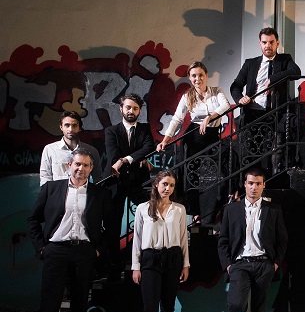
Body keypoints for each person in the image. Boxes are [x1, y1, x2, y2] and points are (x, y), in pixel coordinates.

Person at [5, 148, 111, 312]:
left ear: (91, 168)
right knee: (48, 308)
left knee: (79, 306)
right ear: (69, 165)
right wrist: (42, 248)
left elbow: (110, 227)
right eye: (77, 164)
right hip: (56, 251)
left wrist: (98, 250)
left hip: (84, 253)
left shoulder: (99, 193)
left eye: (86, 165)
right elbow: (33, 219)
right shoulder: (52, 189)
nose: (81, 169)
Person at [217, 167, 288, 312]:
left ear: (263, 185)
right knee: (236, 304)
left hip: (264, 265)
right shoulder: (231, 210)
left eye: (258, 183)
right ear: (245, 184)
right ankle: (242, 295)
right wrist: (228, 265)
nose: (254, 187)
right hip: (240, 264)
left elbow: (282, 240)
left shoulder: (273, 209)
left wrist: (275, 264)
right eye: (250, 183)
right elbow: (223, 240)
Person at [131, 170, 189, 312]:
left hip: (173, 259)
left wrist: (185, 264)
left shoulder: (179, 209)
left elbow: (183, 239)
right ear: (156, 184)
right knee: (149, 310)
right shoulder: (143, 209)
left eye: (171, 185)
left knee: (168, 308)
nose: (168, 188)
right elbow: (137, 238)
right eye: (165, 184)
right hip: (150, 259)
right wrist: (135, 266)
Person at [156, 62, 231, 225]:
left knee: (222, 169)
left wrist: (209, 117)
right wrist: (164, 140)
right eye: (194, 76)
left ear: (206, 75)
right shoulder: (187, 96)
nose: (198, 79)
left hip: (212, 136)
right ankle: (195, 212)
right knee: (191, 175)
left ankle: (215, 209)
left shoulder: (216, 91)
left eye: (201, 75)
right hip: (193, 138)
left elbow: (225, 105)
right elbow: (177, 119)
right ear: (190, 78)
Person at [104, 93, 155, 279]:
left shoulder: (144, 129)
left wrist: (125, 160)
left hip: (137, 182)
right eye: (128, 107)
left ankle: (143, 260)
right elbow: (113, 155)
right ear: (121, 109)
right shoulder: (111, 131)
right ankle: (113, 266)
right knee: (113, 225)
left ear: (139, 110)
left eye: (135, 108)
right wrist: (138, 158)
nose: (131, 111)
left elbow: (149, 148)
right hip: (115, 183)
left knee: (148, 219)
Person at [230, 27, 301, 126]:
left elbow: (296, 72)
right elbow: (235, 85)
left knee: (295, 124)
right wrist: (240, 99)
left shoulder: (284, 59)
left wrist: (272, 79)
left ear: (277, 43)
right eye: (264, 42)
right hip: (253, 112)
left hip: (277, 113)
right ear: (260, 44)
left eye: (271, 42)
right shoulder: (250, 63)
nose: (268, 46)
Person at [39, 111, 101, 186]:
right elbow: (45, 178)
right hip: (58, 192)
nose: (71, 129)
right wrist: (49, 193)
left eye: (74, 125)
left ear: (79, 128)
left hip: (82, 192)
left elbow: (98, 178)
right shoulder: (50, 150)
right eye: (67, 125)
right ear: (61, 127)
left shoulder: (91, 151)